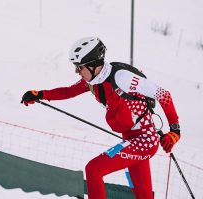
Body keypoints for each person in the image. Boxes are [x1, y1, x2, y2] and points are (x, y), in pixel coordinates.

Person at [21, 37, 181, 199]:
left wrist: (175, 131)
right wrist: (40, 94)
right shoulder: (93, 81)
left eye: (79, 68)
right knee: (143, 195)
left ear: (93, 65)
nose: (77, 72)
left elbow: (163, 95)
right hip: (130, 139)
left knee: (94, 169)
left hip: (144, 140)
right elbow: (69, 91)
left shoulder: (122, 78)